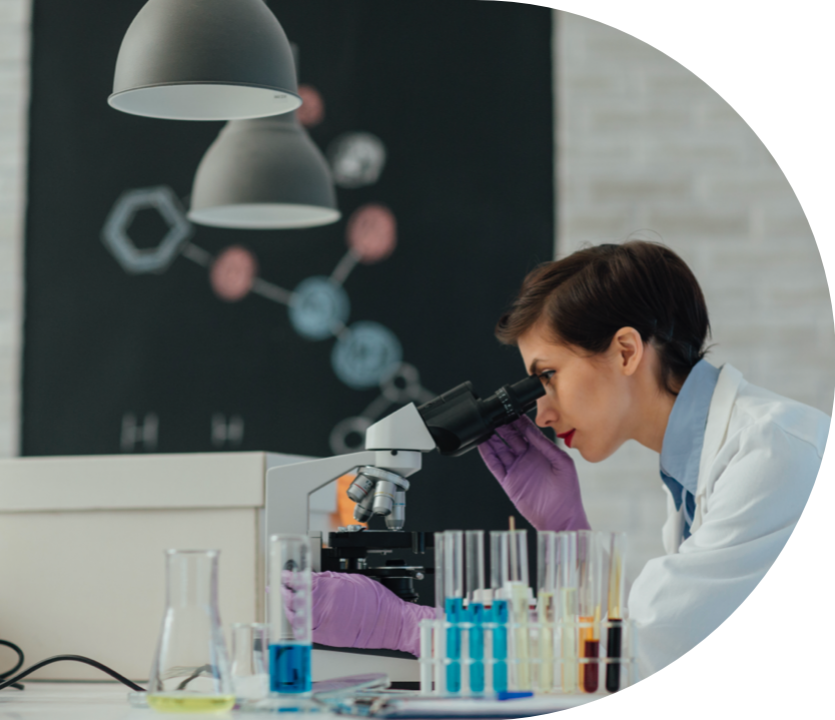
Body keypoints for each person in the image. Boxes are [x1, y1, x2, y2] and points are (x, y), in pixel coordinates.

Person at [309, 240, 829, 679]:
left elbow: (629, 653)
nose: (541, 413)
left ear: (626, 351)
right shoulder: (697, 469)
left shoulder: (768, 455)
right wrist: (569, 533)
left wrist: (406, 628)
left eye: (548, 376)